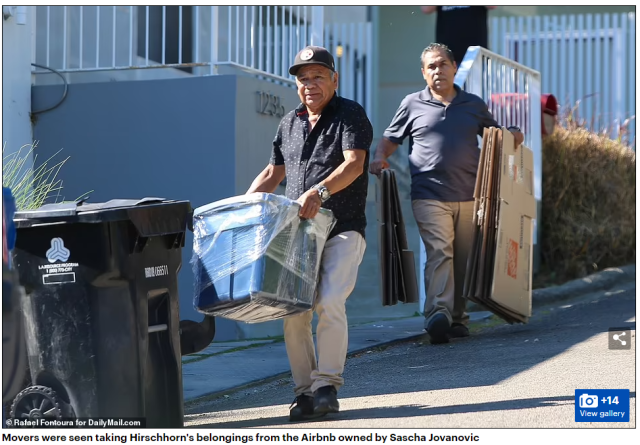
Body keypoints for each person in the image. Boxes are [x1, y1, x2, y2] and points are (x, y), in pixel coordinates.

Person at [247, 45, 373, 421]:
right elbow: (273, 174)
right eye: (303, 79)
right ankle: (304, 392)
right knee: (294, 311)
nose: (310, 84)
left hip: (342, 228)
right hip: (297, 234)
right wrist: (242, 208)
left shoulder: (350, 114)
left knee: (330, 300)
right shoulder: (289, 122)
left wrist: (320, 192)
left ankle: (326, 386)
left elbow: (354, 165)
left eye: (318, 76)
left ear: (334, 79)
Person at [369, 43, 523, 345]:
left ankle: (457, 318)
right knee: (441, 251)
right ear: (424, 73)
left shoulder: (473, 104)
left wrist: (513, 133)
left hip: (471, 195)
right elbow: (390, 138)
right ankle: (437, 313)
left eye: (442, 64)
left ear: (454, 66)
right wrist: (379, 157)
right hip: (428, 193)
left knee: (464, 258)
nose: (437, 71)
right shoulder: (412, 103)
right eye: (431, 67)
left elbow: (494, 137)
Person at [421, 6, 497, 67]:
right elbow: (426, 8)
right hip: (446, 54)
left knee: (475, 86)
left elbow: (492, 6)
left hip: (475, 54)